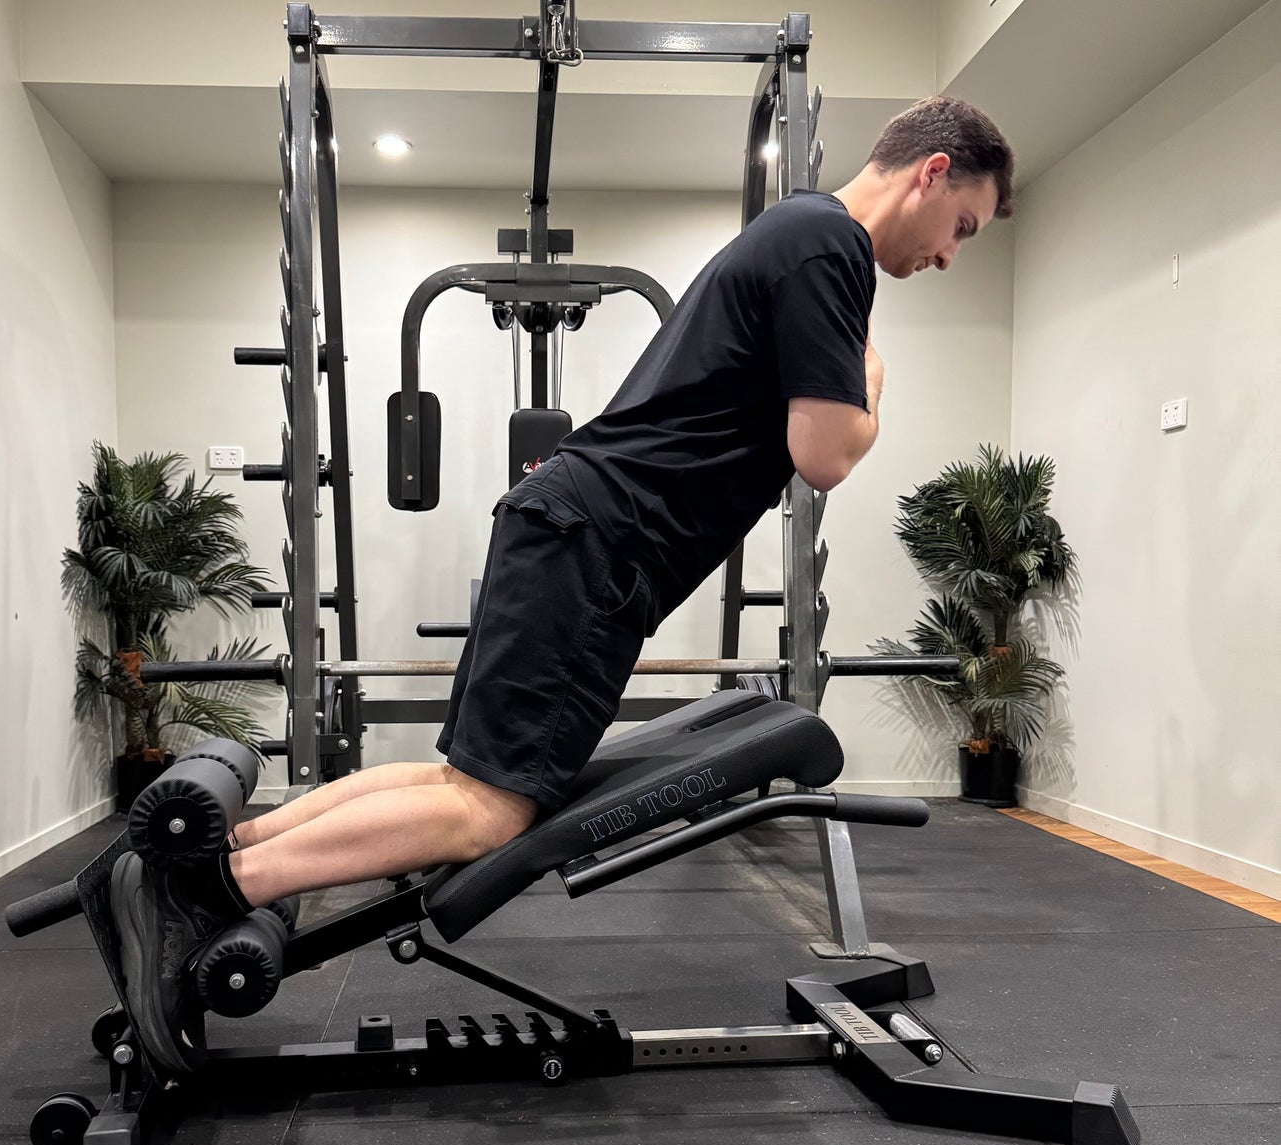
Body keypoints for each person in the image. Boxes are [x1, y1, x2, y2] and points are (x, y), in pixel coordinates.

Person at [113, 95, 1015, 1076]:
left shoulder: (800, 234)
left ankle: (213, 855)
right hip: (596, 543)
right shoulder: (826, 245)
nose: (947, 255)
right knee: (489, 811)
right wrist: (872, 385)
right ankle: (209, 888)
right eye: (961, 227)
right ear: (930, 172)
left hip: (579, 533)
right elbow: (826, 452)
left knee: (463, 784)